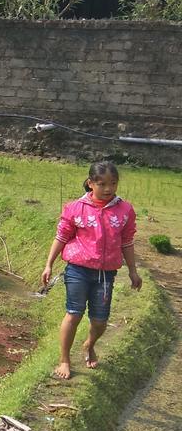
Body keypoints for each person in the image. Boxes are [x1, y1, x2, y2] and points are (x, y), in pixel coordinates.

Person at [41, 160, 141, 380]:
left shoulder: (124, 210)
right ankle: (64, 360)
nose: (108, 189)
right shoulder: (76, 208)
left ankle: (89, 344)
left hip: (106, 274)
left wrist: (133, 271)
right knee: (74, 313)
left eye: (113, 183)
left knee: (100, 321)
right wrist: (49, 264)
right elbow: (61, 237)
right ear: (90, 183)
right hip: (78, 270)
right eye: (102, 183)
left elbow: (127, 242)